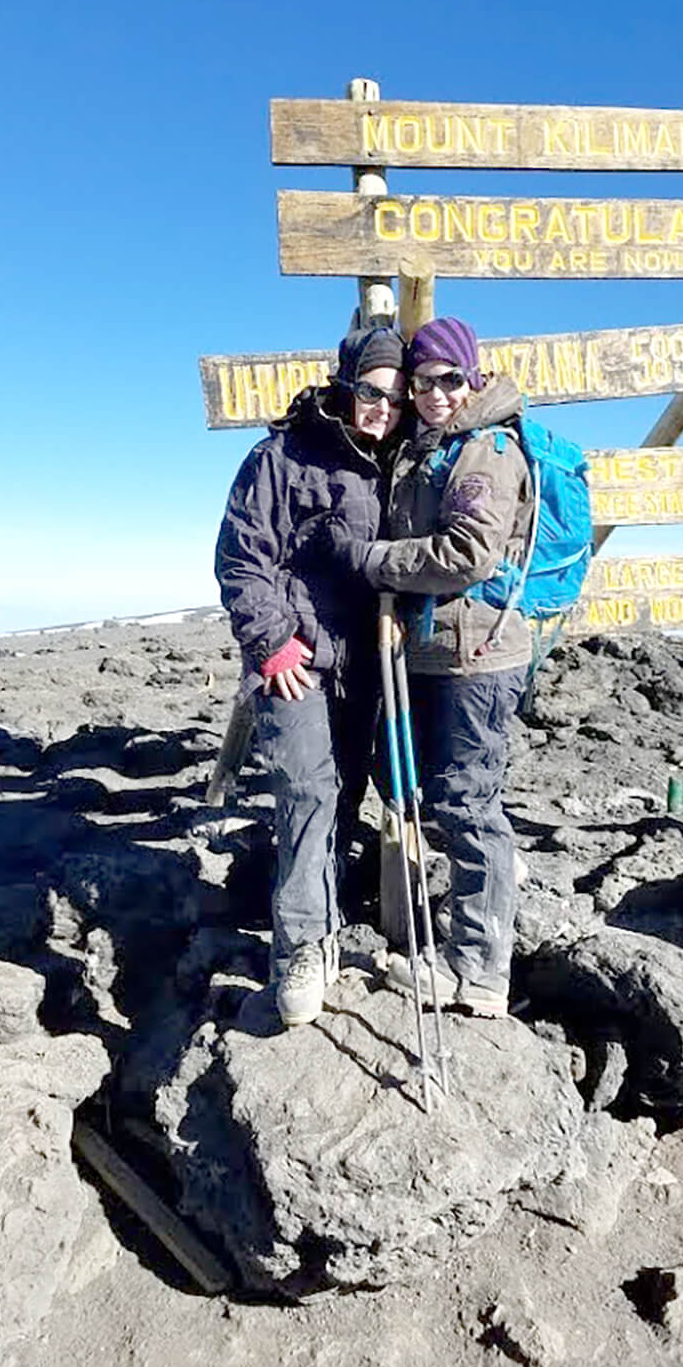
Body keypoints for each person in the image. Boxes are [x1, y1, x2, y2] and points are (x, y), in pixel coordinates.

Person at [319, 316, 532, 1017]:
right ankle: (487, 896)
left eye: (448, 378)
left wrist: (375, 562)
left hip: (476, 657)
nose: (433, 392)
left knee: (468, 804)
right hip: (435, 650)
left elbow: (468, 554)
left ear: (472, 376)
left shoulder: (486, 451)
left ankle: (479, 972)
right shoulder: (433, 445)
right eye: (421, 382)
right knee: (410, 784)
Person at [214, 325, 407, 1027]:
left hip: (369, 663)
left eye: (396, 396)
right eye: (372, 391)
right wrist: (271, 643)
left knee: (348, 794)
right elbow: (241, 558)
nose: (383, 407)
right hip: (295, 661)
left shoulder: (404, 461)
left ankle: (329, 922)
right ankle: (298, 948)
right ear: (346, 385)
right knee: (306, 791)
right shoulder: (281, 457)